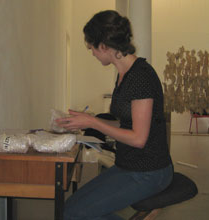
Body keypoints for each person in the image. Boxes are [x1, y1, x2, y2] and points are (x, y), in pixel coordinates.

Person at [56, 10, 173, 220]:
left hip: (148, 172)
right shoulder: (123, 74)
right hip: (127, 165)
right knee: (69, 207)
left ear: (103, 46)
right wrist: (85, 121)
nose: (91, 52)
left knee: (74, 214)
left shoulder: (141, 77)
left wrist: (93, 121)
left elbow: (138, 138)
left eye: (91, 46)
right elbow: (125, 122)